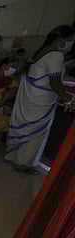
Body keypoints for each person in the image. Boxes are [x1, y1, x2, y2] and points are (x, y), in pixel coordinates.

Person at [5, 25, 75, 174]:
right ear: (61, 40)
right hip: (40, 99)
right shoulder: (56, 55)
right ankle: (22, 163)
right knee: (35, 131)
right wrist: (70, 99)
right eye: (70, 40)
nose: (71, 43)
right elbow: (55, 83)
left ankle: (15, 157)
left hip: (32, 96)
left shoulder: (43, 51)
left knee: (27, 127)